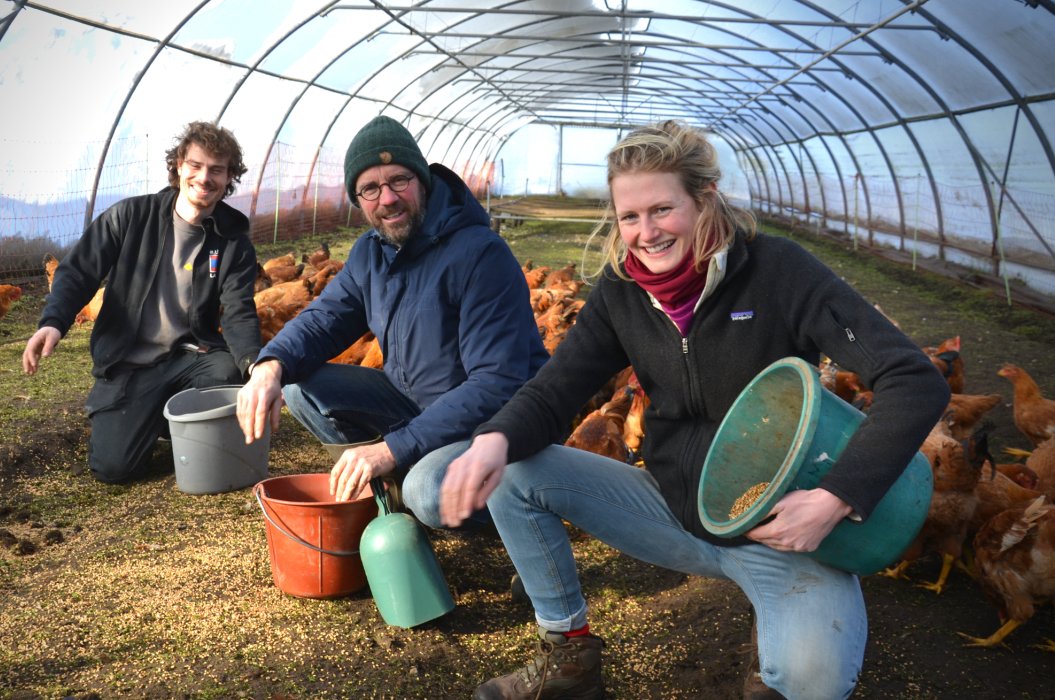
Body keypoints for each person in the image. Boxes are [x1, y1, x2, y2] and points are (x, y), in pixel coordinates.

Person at [439, 121, 950, 700]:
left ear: (704, 199)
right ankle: (568, 654)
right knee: (513, 469)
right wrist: (493, 439)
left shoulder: (779, 271)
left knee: (813, 680)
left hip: (780, 529)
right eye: (629, 216)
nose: (646, 232)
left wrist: (834, 498)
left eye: (662, 209)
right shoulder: (621, 291)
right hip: (674, 509)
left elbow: (914, 379)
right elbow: (554, 390)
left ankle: (774, 639)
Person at [235, 115, 546, 529]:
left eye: (399, 180)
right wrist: (269, 365)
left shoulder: (479, 254)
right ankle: (394, 485)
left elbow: (495, 384)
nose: (387, 199)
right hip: (416, 408)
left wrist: (389, 449)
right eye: (370, 189)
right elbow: (324, 320)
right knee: (296, 385)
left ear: (422, 180)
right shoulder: (371, 251)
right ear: (358, 199)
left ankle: (517, 501)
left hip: (491, 426)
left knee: (428, 492)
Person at [24, 121, 262, 484]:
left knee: (227, 373)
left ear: (229, 175)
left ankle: (171, 419)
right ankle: (150, 418)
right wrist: (54, 321)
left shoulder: (233, 241)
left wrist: (254, 366)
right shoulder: (131, 217)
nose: (205, 177)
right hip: (129, 362)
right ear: (179, 165)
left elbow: (239, 311)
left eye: (217, 169)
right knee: (115, 470)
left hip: (192, 358)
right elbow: (78, 271)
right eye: (196, 165)